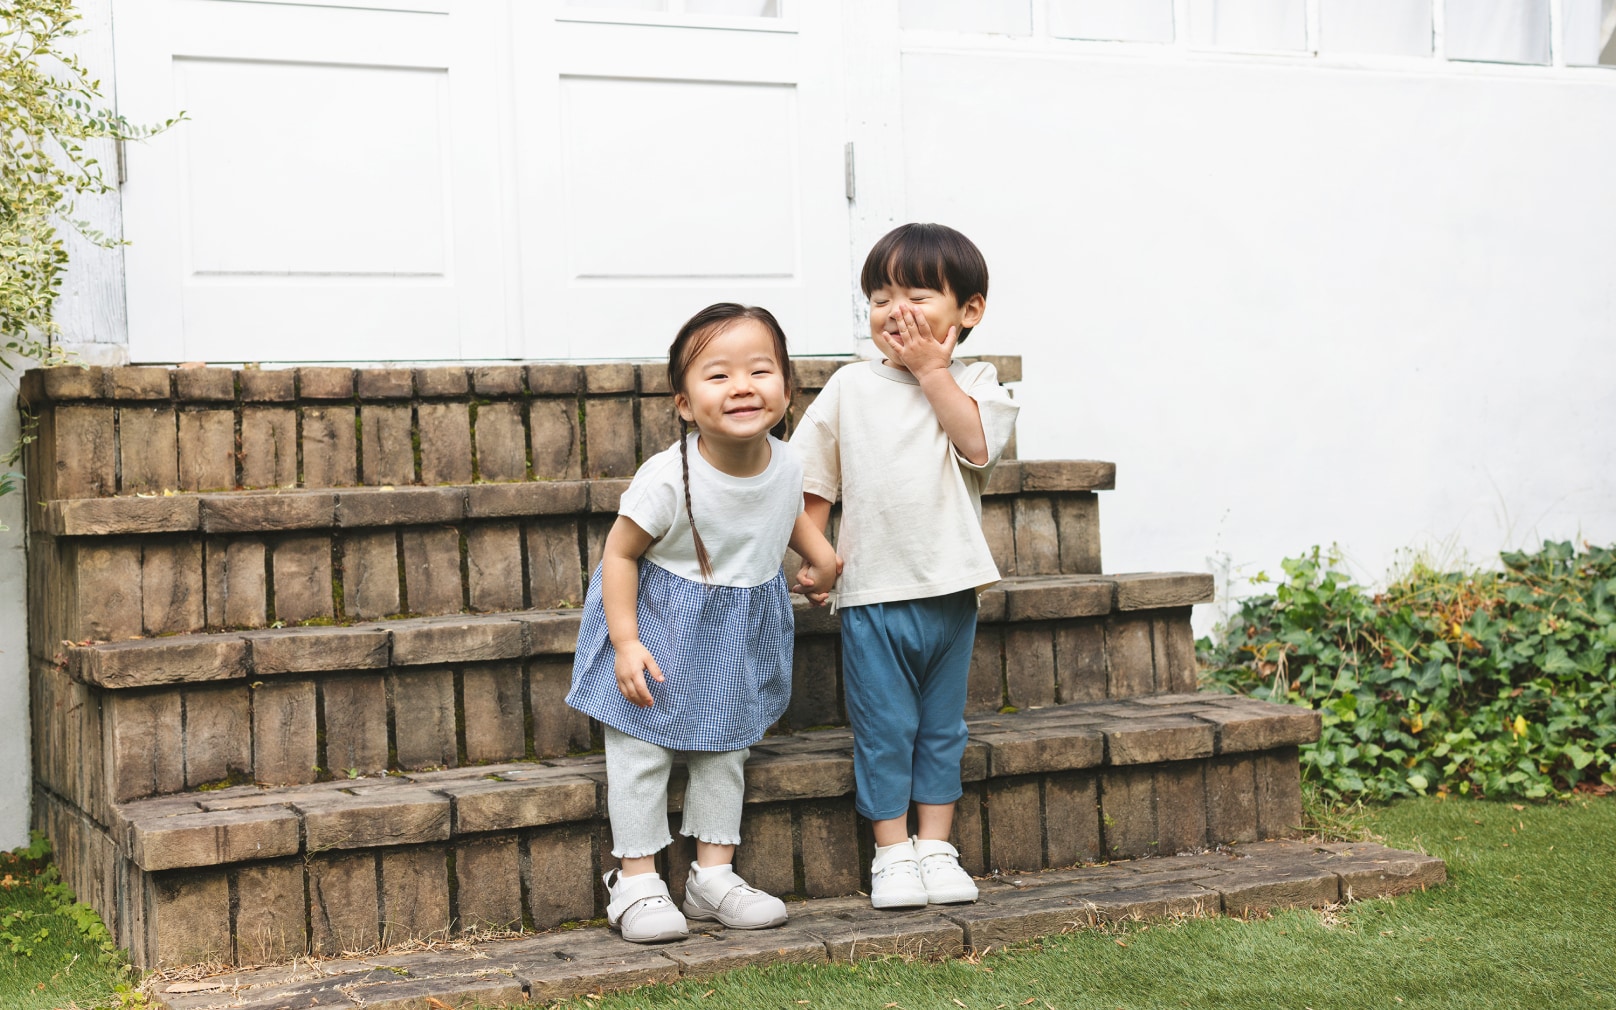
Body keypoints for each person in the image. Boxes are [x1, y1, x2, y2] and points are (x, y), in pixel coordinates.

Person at [566, 303, 840, 944]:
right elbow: (619, 554)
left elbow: (786, 514)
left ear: (787, 390)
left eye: (760, 371)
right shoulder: (668, 477)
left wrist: (823, 559)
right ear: (685, 404)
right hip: (661, 622)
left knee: (725, 749)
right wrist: (626, 642)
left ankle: (712, 877)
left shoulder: (787, 463)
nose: (742, 386)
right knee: (641, 750)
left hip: (736, 629)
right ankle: (636, 881)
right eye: (718, 375)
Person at [791, 223, 1019, 909]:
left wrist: (930, 371)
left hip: (950, 589)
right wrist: (819, 559)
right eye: (880, 298)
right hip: (874, 594)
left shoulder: (979, 384)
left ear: (968, 311)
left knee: (942, 727)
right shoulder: (849, 387)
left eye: (918, 297)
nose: (896, 311)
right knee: (886, 728)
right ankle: (892, 851)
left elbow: (975, 445)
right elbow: (810, 485)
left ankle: (936, 846)